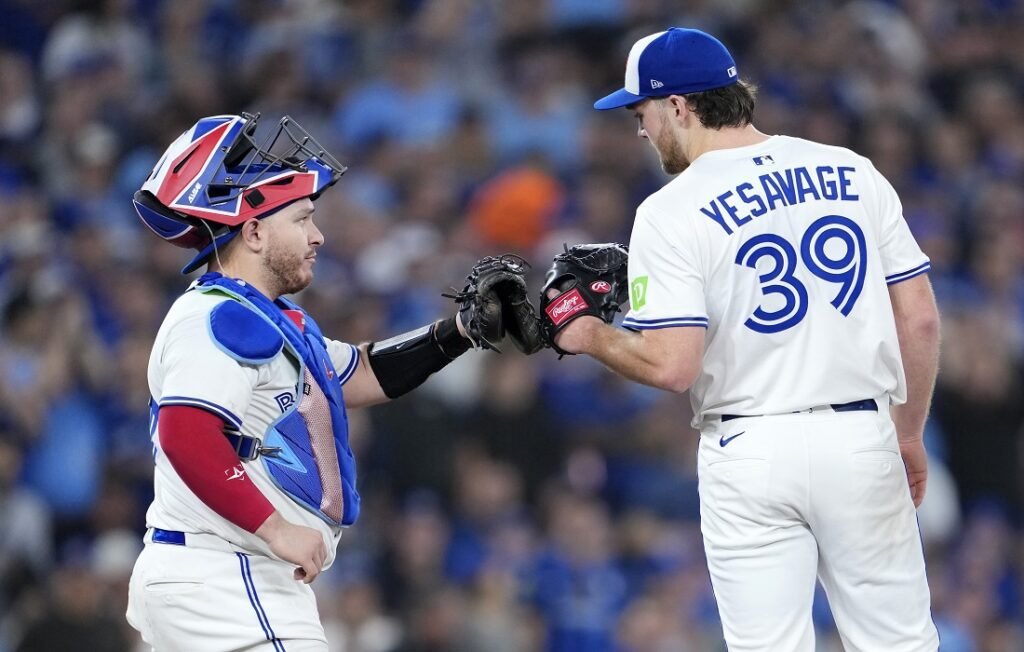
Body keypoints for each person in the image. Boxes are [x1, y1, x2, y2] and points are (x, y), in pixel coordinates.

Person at [548, 28, 941, 650]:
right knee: (900, 642)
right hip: (860, 433)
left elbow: (674, 366)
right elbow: (918, 319)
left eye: (641, 111)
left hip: (750, 446)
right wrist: (910, 431)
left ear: (678, 105)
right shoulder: (851, 170)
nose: (641, 130)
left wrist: (589, 334)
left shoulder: (670, 210)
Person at [125, 113, 490, 651]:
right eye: (301, 219)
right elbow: (186, 434)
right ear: (253, 231)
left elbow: (362, 372)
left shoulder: (263, 317)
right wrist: (274, 528)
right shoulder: (216, 317)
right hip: (229, 573)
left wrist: (461, 331)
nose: (317, 235)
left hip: (220, 575)